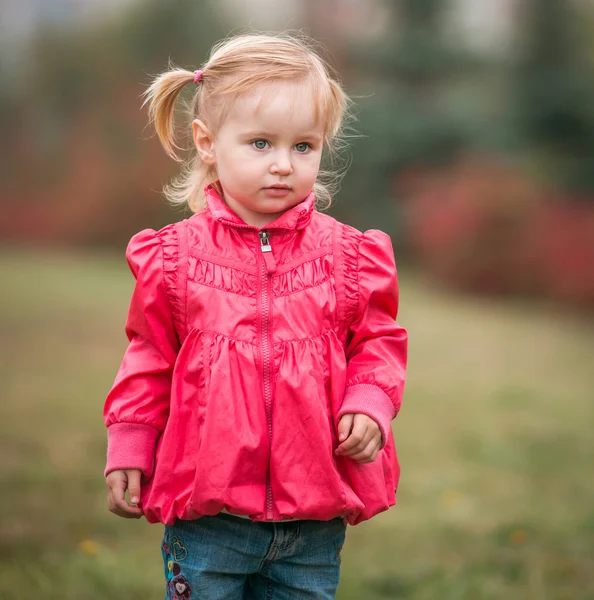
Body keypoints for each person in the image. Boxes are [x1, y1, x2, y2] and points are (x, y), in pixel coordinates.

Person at [103, 32, 408, 600]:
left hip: (313, 521)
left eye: (303, 147)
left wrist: (371, 403)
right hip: (208, 518)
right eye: (261, 143)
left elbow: (379, 342)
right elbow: (148, 357)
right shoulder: (172, 259)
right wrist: (130, 440)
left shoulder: (348, 256)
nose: (283, 166)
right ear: (208, 142)